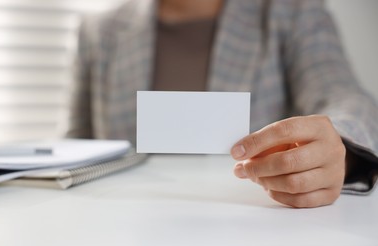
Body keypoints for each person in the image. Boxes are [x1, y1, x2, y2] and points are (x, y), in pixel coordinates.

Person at [68, 0, 378, 208]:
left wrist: (340, 144)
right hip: (123, 219)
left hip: (249, 219)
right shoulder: (100, 30)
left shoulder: (292, 11)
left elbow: (344, 95)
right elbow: (74, 142)